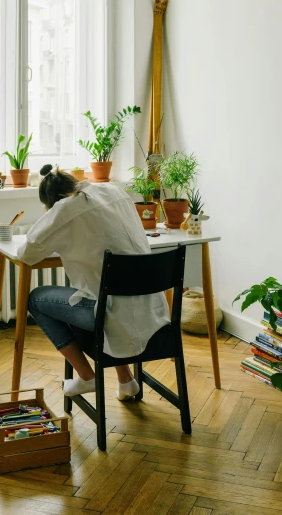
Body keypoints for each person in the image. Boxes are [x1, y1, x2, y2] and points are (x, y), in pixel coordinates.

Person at [17, 165, 170, 400]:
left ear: (51, 201)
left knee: (38, 299)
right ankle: (126, 380)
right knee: (101, 288)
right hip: (155, 311)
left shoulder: (62, 210)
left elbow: (26, 254)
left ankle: (87, 377)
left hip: (109, 315)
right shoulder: (114, 191)